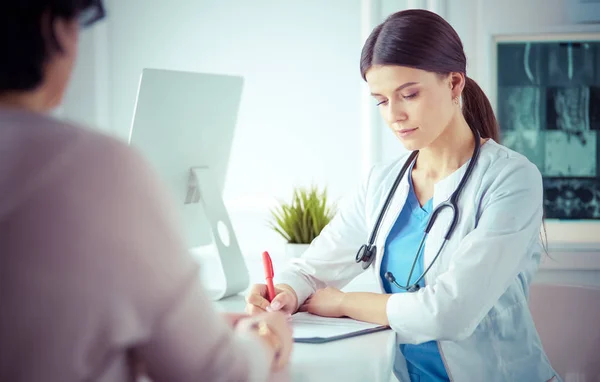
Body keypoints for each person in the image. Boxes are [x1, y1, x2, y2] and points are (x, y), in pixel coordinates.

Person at [246, 9, 561, 382]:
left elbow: (450, 312)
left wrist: (345, 302)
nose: (394, 115)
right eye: (381, 100)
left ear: (454, 83)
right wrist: (284, 292)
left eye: (408, 94)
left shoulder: (511, 178)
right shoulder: (383, 183)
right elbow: (311, 268)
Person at [0, 1, 292, 381]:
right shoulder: (94, 166)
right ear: (53, 28)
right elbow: (215, 374)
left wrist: (173, 328)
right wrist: (267, 336)